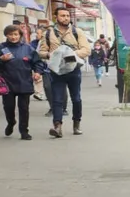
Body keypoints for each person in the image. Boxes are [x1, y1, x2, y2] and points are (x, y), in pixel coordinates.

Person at [39, 7, 91, 138]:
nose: (66, 18)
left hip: (73, 70)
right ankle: (57, 127)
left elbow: (86, 50)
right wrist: (50, 55)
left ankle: (76, 124)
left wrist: (70, 54)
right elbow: (41, 52)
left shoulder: (77, 32)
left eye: (67, 16)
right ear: (56, 17)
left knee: (76, 98)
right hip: (56, 71)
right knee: (57, 99)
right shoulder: (48, 33)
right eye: (62, 15)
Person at [0, 24, 46, 140]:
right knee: (8, 107)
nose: (13, 37)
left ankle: (24, 131)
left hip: (24, 82)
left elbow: (38, 62)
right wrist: (1, 59)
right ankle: (11, 122)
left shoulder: (28, 48)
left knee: (24, 108)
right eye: (10, 34)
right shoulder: (0, 48)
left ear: (20, 35)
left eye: (15, 34)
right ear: (6, 35)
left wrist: (38, 72)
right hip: (6, 83)